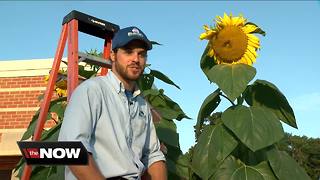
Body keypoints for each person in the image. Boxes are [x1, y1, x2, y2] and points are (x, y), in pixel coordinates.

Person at [58, 26, 167, 180]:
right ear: (113, 55)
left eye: (141, 54)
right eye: (128, 51)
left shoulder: (142, 105)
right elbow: (72, 149)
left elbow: (153, 156)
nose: (136, 59)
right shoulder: (92, 91)